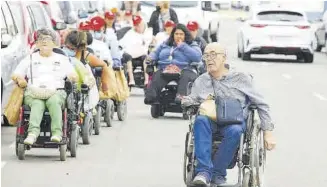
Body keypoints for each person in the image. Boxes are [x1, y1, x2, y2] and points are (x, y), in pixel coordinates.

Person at [181, 43, 276, 186]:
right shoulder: (202, 80)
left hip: (233, 121)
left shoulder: (241, 78)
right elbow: (193, 98)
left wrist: (268, 132)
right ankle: (204, 172)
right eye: (206, 55)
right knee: (200, 121)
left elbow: (261, 104)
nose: (209, 59)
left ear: (224, 58)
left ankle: (218, 173)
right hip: (210, 121)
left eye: (213, 54)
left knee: (235, 131)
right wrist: (185, 101)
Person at [11, 28, 78, 145]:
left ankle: (57, 133)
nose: (44, 42)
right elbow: (16, 73)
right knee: (37, 103)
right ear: (37, 44)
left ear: (54, 44)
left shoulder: (62, 59)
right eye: (41, 40)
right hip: (34, 92)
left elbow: (73, 74)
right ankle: (32, 134)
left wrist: (72, 76)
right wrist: (19, 79)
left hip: (56, 91)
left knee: (54, 101)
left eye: (48, 40)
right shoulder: (31, 58)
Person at [144, 23, 202, 104]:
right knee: (157, 76)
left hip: (184, 69)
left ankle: (181, 96)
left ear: (185, 35)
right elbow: (155, 53)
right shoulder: (166, 44)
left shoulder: (191, 44)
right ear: (173, 35)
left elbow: (197, 57)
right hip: (166, 69)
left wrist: (183, 46)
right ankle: (151, 96)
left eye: (181, 34)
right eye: (176, 34)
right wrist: (150, 59)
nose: (178, 36)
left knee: (185, 76)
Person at [64, 29, 112, 99]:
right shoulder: (61, 54)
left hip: (83, 88)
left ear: (80, 48)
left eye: (72, 49)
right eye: (67, 47)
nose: (68, 50)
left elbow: (104, 65)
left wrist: (104, 86)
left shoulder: (86, 56)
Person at [119, 15, 152, 86]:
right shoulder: (130, 33)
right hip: (130, 54)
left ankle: (147, 80)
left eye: (138, 25)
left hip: (142, 54)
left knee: (146, 58)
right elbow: (123, 44)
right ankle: (131, 79)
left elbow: (148, 43)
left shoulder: (148, 32)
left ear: (141, 23)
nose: (137, 27)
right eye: (135, 25)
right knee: (128, 56)